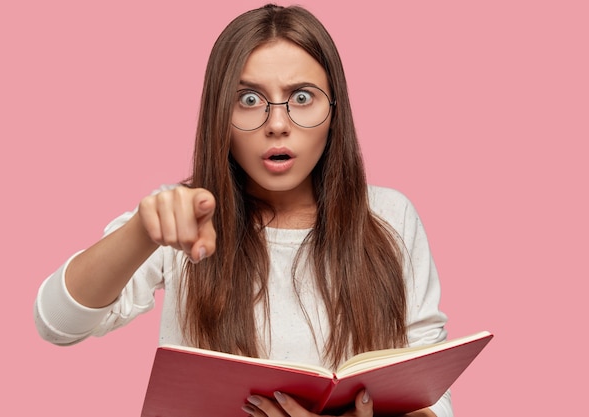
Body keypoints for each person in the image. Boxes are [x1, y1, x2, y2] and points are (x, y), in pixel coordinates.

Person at [34, 4, 452, 417]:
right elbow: (57, 323)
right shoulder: (185, 217)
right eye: (249, 99)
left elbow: (433, 395)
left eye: (301, 97)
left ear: (334, 111)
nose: (277, 123)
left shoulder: (389, 216)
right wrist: (142, 231)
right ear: (221, 115)